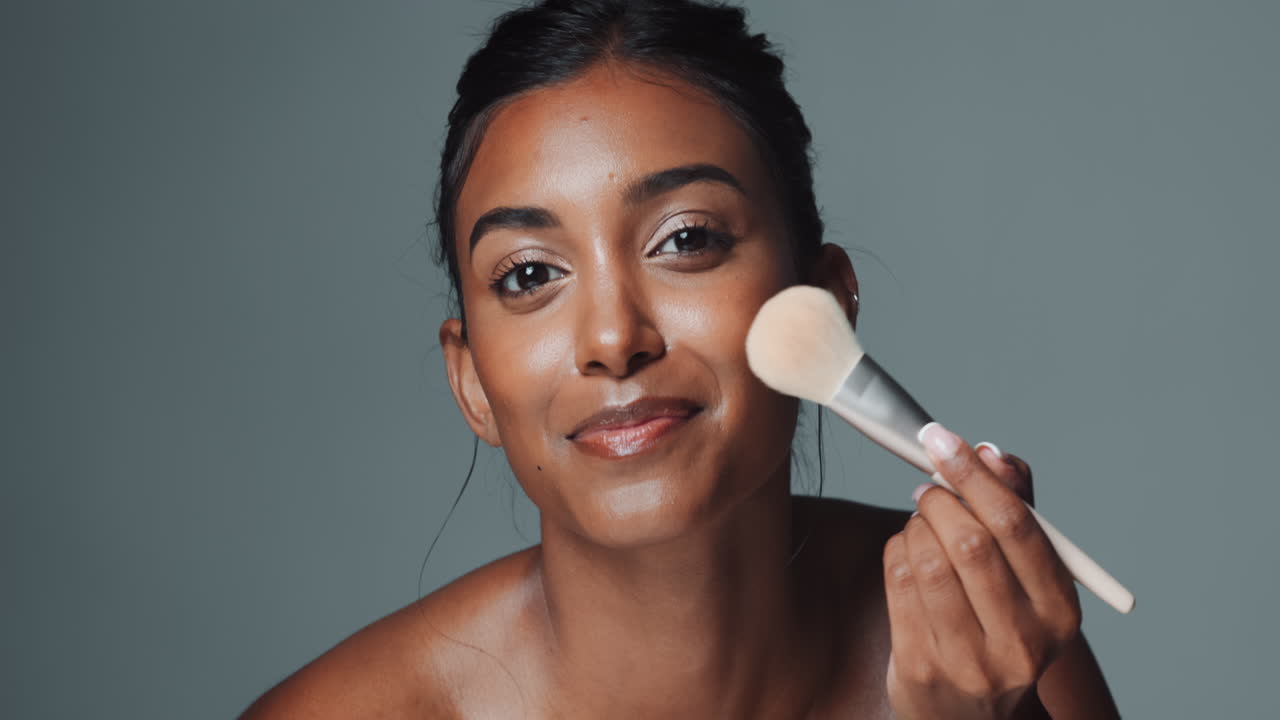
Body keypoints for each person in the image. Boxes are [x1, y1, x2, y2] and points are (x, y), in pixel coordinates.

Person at [241, 1, 1121, 717]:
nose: (613, 338)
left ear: (823, 298)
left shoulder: (990, 642)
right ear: (470, 379)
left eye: (687, 239)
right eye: (530, 275)